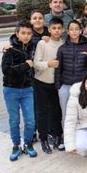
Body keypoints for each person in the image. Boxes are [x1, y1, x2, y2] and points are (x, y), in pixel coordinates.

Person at [2, 20, 37, 161]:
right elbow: (6, 71)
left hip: (28, 89)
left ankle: (28, 143)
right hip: (11, 90)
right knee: (14, 120)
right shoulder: (9, 49)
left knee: (30, 121)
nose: (26, 36)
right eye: (23, 33)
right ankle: (16, 145)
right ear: (17, 34)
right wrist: (25, 65)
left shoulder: (33, 47)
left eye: (29, 33)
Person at [55, 20, 87, 132]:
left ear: (81, 31)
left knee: (82, 114)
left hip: (81, 86)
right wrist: (58, 86)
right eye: (71, 29)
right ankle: (66, 137)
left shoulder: (86, 46)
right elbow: (58, 69)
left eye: (76, 29)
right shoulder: (62, 48)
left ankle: (80, 137)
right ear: (68, 32)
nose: (74, 32)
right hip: (66, 85)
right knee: (66, 113)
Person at [33, 17, 64, 154]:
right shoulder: (43, 43)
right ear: (49, 29)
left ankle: (58, 136)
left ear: (63, 30)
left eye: (59, 28)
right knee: (42, 112)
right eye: (54, 28)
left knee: (57, 111)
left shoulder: (64, 44)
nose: (56, 31)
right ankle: (44, 138)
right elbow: (36, 64)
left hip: (56, 85)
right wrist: (48, 64)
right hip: (41, 83)